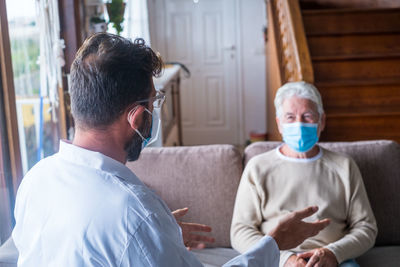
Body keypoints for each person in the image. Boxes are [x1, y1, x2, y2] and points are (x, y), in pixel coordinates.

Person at [11, 33, 329, 266]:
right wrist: (274, 243)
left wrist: (160, 238)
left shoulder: (36, 179)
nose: (155, 111)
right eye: (154, 102)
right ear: (137, 117)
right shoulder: (134, 212)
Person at [230, 81, 378, 267]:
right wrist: (285, 259)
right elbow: (240, 231)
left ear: (321, 121)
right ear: (279, 124)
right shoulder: (258, 167)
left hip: (334, 261)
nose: (299, 124)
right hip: (276, 261)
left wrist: (333, 253)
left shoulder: (344, 166)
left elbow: (366, 227)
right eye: (290, 117)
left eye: (307, 116)